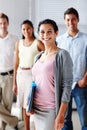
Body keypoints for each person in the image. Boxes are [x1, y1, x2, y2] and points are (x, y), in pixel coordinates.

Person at [29, 19, 73, 130]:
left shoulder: (63, 55)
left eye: (49, 31)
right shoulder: (37, 57)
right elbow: (35, 82)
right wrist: (30, 102)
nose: (45, 35)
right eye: (42, 32)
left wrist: (61, 114)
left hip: (51, 109)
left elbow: (67, 87)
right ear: (39, 34)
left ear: (56, 33)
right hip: (36, 108)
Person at [57, 7, 87, 130]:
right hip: (65, 85)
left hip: (81, 84)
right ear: (65, 21)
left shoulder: (86, 39)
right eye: (68, 20)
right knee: (65, 120)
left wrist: (85, 79)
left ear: (78, 20)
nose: (71, 22)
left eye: (73, 19)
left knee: (85, 119)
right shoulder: (59, 41)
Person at [13, 19, 45, 130]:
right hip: (21, 75)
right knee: (23, 105)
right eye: (24, 29)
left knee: (32, 103)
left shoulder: (38, 43)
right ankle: (27, 128)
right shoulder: (19, 43)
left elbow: (47, 57)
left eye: (28, 28)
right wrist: (14, 83)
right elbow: (16, 63)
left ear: (32, 29)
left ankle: (37, 127)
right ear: (21, 31)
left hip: (33, 76)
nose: (26, 31)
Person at [0, 13, 18, 130]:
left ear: (8, 24)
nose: (2, 25)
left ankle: (2, 127)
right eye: (0, 23)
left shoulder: (14, 39)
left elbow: (17, 61)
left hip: (8, 76)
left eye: (4, 23)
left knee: (7, 106)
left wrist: (16, 80)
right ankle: (14, 121)